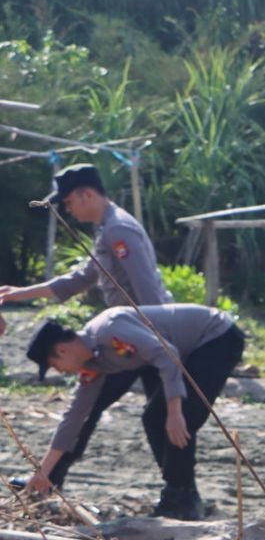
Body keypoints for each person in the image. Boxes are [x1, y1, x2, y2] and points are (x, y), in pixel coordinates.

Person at [0, 162, 172, 490]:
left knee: (160, 417)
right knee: (88, 408)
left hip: (146, 338)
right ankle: (49, 478)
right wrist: (21, 293)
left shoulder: (119, 230)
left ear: (87, 194)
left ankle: (181, 493)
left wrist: (161, 343)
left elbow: (148, 292)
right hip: (126, 340)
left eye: (68, 203)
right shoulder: (106, 230)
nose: (66, 210)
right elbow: (80, 278)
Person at [20, 305, 246, 519]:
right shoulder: (94, 362)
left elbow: (167, 354)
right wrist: (43, 472)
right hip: (193, 348)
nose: (60, 371)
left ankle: (181, 498)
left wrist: (175, 412)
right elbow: (74, 418)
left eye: (55, 365)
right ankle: (182, 494)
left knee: (171, 417)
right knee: (156, 419)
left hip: (217, 335)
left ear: (61, 349)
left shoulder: (109, 329)